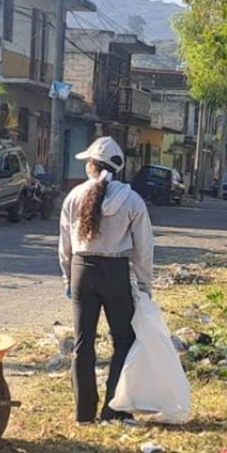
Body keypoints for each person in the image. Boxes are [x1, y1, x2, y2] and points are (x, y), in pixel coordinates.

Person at [58, 137, 154, 424]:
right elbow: (143, 248)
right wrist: (145, 285)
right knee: (124, 339)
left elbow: (64, 244)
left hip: (81, 270)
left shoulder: (74, 196)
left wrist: (67, 277)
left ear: (91, 166)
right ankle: (115, 409)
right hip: (115, 273)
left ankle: (83, 413)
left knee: (82, 343)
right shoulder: (132, 200)